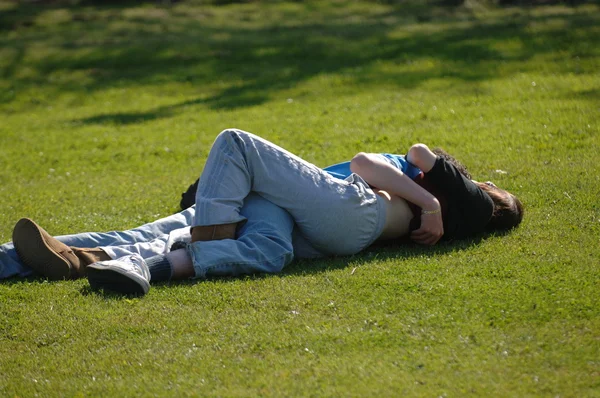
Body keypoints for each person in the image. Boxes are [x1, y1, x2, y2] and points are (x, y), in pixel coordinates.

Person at [8, 129, 523, 295]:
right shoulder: (448, 211)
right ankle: (62, 258)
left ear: (495, 199)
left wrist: (431, 198)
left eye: (498, 188)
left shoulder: (464, 202)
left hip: (350, 212)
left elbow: (379, 160)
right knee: (158, 233)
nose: (491, 181)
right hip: (307, 222)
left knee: (235, 142)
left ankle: (192, 243)